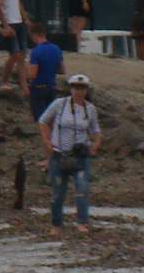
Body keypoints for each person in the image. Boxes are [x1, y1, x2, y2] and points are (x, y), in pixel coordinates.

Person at [39, 73, 102, 235]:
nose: (78, 91)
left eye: (82, 88)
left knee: (82, 188)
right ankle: (56, 225)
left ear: (87, 90)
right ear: (70, 88)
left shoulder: (90, 109)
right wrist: (47, 142)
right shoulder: (59, 104)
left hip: (80, 156)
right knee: (58, 192)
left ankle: (82, 222)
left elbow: (95, 129)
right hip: (59, 154)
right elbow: (43, 120)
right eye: (75, 87)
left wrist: (96, 143)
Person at [0, 0, 31, 93]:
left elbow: (17, 1)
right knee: (15, 53)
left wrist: (26, 18)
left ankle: (23, 83)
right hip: (8, 22)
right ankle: (5, 80)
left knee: (22, 54)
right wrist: (5, 25)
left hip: (18, 21)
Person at [26, 20, 64, 122]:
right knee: (51, 119)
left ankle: (44, 137)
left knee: (41, 120)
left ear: (34, 35)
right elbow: (62, 70)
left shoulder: (36, 50)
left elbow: (32, 75)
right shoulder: (56, 49)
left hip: (39, 87)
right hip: (52, 86)